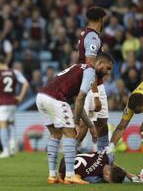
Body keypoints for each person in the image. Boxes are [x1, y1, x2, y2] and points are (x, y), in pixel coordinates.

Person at [36, 52, 114, 184]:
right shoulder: (90, 72)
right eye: (107, 68)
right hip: (56, 98)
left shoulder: (79, 68)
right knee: (70, 134)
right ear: (99, 63)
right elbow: (80, 99)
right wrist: (76, 123)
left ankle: (52, 175)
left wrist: (89, 125)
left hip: (41, 97)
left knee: (55, 134)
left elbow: (79, 102)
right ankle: (70, 175)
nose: (107, 72)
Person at [107, 76, 143, 166]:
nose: (136, 113)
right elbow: (121, 127)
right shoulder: (132, 101)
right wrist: (111, 146)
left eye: (138, 111)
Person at [75, 6, 110, 151]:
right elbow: (90, 69)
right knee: (83, 127)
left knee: (102, 123)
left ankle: (103, 159)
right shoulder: (93, 37)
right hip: (89, 86)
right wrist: (95, 95)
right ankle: (67, 162)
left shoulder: (89, 35)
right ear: (101, 19)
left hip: (97, 85)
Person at [0, 57, 29, 158]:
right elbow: (26, 83)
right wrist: (21, 96)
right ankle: (12, 143)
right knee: (11, 123)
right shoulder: (15, 72)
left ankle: (5, 150)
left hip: (1, 103)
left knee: (2, 125)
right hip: (13, 102)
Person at [58, 150, 140, 183]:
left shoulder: (106, 157)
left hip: (67, 158)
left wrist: (126, 173)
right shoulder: (95, 178)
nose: (107, 181)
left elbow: (111, 163)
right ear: (107, 174)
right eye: (108, 181)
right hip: (64, 172)